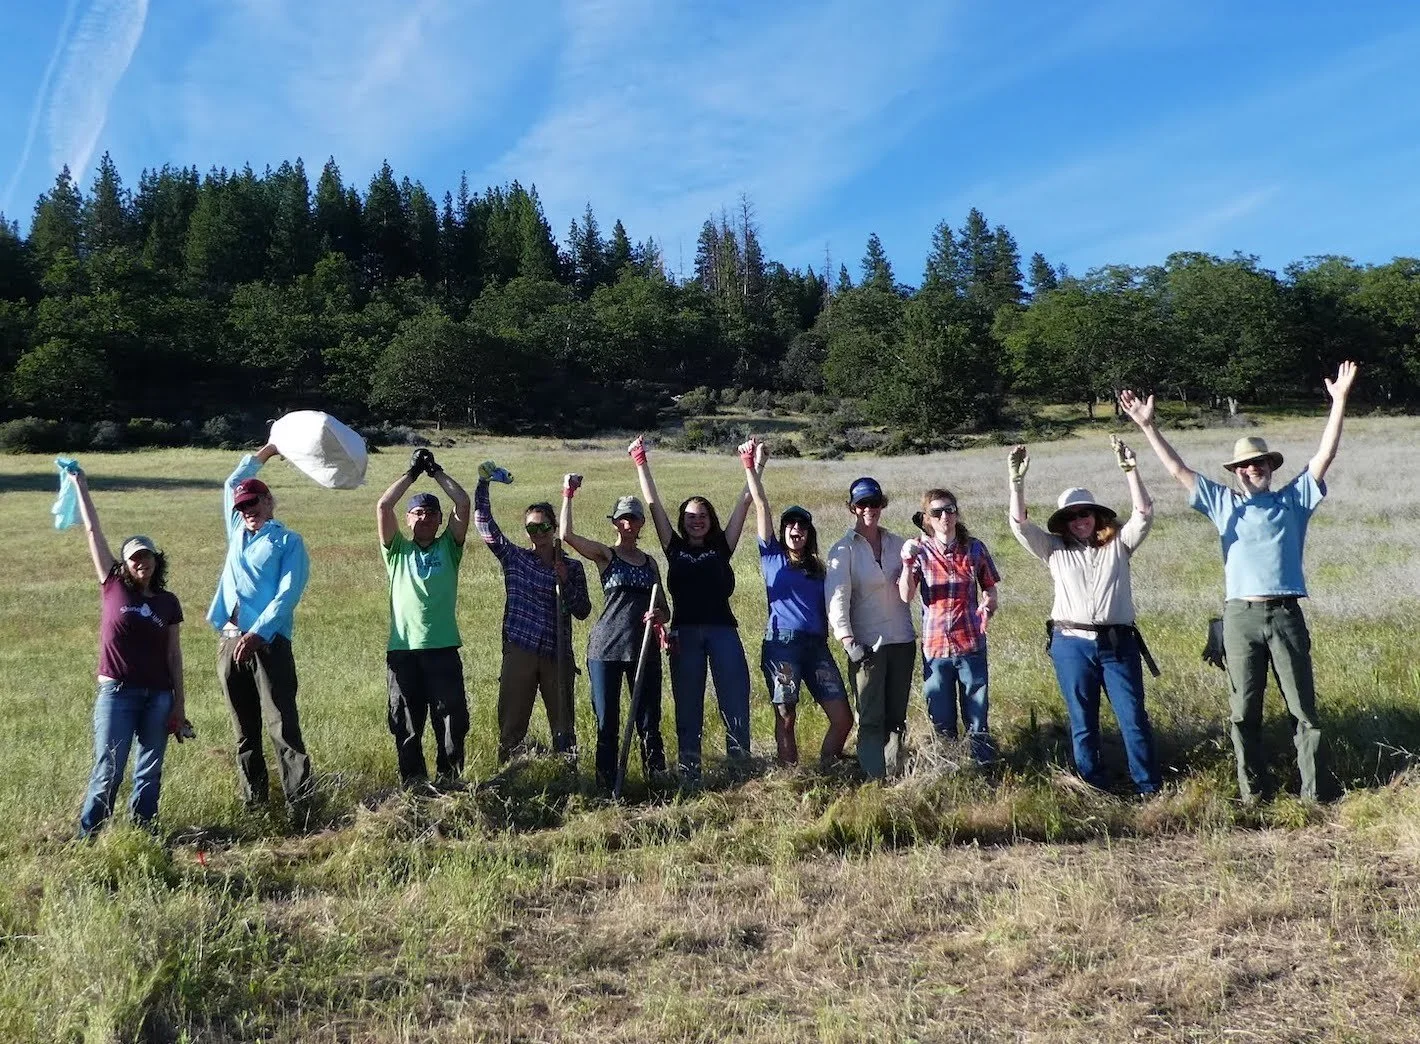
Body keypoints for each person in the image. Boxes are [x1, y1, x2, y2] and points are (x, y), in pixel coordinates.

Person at [1120, 361, 1359, 802]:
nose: (1253, 470)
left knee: (1304, 710)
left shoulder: (1295, 498)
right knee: (1243, 711)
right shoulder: (1222, 502)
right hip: (1240, 617)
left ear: (1271, 466)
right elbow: (1178, 471)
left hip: (1286, 613)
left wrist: (1339, 401)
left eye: (1260, 463)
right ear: (1235, 472)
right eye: (1245, 465)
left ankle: (1315, 793)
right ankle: (1254, 794)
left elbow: (1324, 456)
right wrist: (1148, 427)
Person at [1008, 439, 1161, 795]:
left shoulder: (1119, 545)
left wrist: (1131, 471)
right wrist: (1016, 483)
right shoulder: (1052, 549)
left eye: (1085, 514)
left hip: (1117, 642)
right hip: (1071, 644)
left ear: (1098, 516)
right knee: (1082, 720)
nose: (1079, 521)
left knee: (1133, 718)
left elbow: (1144, 514)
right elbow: (1019, 526)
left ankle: (1148, 786)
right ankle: (1094, 788)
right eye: (1072, 516)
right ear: (1064, 522)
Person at [628, 435, 754, 782]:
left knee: (735, 702)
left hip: (723, 632)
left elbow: (745, 502)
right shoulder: (674, 548)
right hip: (684, 634)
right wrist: (641, 462)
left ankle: (740, 771)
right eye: (689, 516)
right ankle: (689, 775)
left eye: (702, 516)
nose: (696, 521)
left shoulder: (722, 547)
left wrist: (754, 466)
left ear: (711, 520)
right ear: (682, 522)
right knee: (688, 707)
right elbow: (653, 505)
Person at [70, 467, 187, 836]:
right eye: (135, 557)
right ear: (123, 564)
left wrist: (179, 706)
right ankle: (88, 838)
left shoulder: (168, 602)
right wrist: (81, 485)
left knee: (149, 771)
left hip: (158, 696)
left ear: (156, 560)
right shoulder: (112, 587)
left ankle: (144, 834)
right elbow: (93, 531)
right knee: (109, 768)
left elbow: (174, 656)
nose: (142, 562)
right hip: (116, 693)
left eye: (147, 556)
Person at [207, 442, 314, 814]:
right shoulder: (236, 529)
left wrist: (259, 633)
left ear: (269, 502)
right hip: (230, 640)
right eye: (242, 507)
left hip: (267, 643)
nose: (247, 511)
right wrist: (266, 452)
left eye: (253, 503)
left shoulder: (288, 541)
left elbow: (288, 594)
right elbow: (232, 482)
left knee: (282, 726)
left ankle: (300, 806)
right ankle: (255, 806)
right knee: (244, 731)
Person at [740, 437, 854, 768]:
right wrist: (753, 465)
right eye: (790, 524)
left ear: (809, 534)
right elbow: (761, 505)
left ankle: (828, 765)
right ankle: (790, 775)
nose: (796, 530)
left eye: (802, 526)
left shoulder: (820, 568)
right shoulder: (771, 556)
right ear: (784, 530)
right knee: (786, 714)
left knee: (842, 716)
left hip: (816, 647)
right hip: (782, 646)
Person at [474, 460, 592, 763]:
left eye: (543, 526)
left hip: (557, 653)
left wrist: (565, 580)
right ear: (526, 531)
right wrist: (483, 484)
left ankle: (569, 779)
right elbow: (485, 524)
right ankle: (509, 779)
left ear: (554, 528)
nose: (538, 532)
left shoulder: (573, 567)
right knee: (512, 724)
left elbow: (582, 611)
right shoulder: (514, 558)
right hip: (521, 649)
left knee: (563, 726)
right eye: (531, 527)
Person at [560, 473, 671, 791]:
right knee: (607, 724)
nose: (628, 524)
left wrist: (659, 615)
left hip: (644, 652)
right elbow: (566, 535)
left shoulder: (650, 564)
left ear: (640, 523)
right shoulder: (606, 556)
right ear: (615, 523)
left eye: (633, 518)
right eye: (622, 519)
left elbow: (665, 609)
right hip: (606, 650)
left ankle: (657, 783)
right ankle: (606, 789)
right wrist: (568, 493)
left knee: (649, 723)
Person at [376, 448, 472, 791]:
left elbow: (463, 505)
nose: (426, 518)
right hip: (403, 651)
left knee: (452, 722)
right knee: (406, 723)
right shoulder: (396, 551)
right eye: (418, 512)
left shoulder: (449, 547)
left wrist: (437, 472)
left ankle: (449, 784)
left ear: (439, 520)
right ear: (408, 519)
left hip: (443, 648)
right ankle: (414, 787)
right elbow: (384, 507)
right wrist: (412, 474)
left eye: (432, 513)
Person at [899, 487, 1001, 764]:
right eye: (937, 512)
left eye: (950, 510)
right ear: (927, 518)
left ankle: (984, 768)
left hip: (970, 643)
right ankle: (950, 768)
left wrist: (988, 605)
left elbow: (990, 588)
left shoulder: (975, 548)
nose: (945, 516)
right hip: (935, 649)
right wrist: (907, 564)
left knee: (977, 718)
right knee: (941, 720)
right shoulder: (919, 550)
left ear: (956, 513)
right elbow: (905, 595)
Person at [826, 476, 917, 779]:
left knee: (896, 717)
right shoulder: (843, 550)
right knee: (870, 716)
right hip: (867, 646)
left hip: (902, 641)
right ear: (852, 508)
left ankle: (895, 775)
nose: (869, 509)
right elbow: (837, 598)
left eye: (874, 503)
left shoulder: (898, 543)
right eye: (862, 503)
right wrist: (847, 640)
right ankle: (873, 778)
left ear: (882, 505)